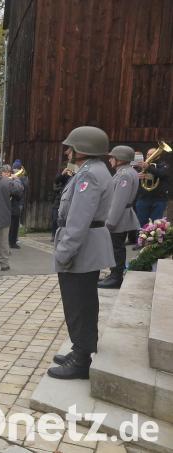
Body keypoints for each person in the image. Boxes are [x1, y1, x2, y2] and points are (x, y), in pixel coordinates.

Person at [49, 126, 115, 380]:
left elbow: (78, 220)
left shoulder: (91, 175)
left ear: (83, 149)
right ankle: (80, 349)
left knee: (79, 303)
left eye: (71, 147)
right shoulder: (91, 171)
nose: (67, 150)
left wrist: (64, 251)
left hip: (82, 247)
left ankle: (80, 359)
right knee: (81, 302)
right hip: (86, 245)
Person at [98, 146, 140, 289]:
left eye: (112, 157)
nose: (110, 160)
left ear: (120, 159)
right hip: (120, 217)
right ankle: (114, 274)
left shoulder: (125, 175)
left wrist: (110, 222)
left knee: (116, 248)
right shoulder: (125, 172)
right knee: (116, 247)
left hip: (118, 218)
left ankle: (116, 278)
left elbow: (118, 202)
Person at [134, 145, 169, 228]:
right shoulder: (140, 166)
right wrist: (137, 176)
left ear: (158, 155)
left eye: (152, 154)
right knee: (141, 224)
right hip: (143, 198)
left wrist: (149, 167)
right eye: (148, 155)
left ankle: (153, 241)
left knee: (156, 225)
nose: (149, 156)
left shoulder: (164, 165)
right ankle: (139, 240)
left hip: (159, 199)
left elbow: (162, 174)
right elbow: (131, 176)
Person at [9, 161, 28, 249]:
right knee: (10, 225)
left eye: (17, 169)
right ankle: (10, 242)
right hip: (10, 204)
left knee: (15, 224)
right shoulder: (9, 177)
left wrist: (18, 178)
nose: (15, 170)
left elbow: (24, 187)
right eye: (14, 169)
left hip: (17, 203)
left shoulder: (22, 178)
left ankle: (13, 242)